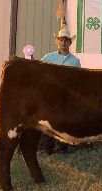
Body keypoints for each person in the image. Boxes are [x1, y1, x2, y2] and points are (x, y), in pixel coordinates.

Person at [39, 27, 81, 157]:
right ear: (57, 42)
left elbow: (78, 80)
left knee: (64, 122)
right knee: (48, 122)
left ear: (70, 43)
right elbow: (39, 71)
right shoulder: (48, 58)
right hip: (50, 95)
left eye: (66, 40)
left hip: (66, 96)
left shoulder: (75, 61)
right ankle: (47, 149)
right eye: (61, 40)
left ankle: (62, 149)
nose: (63, 43)